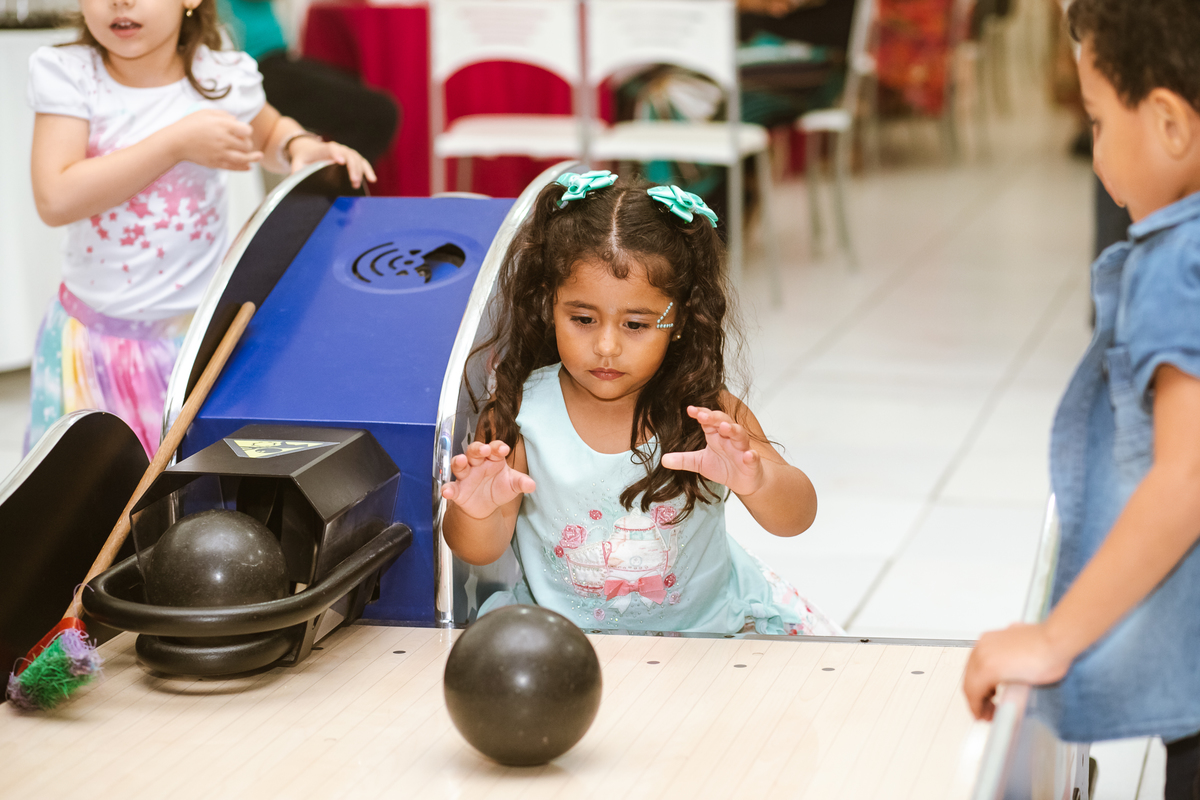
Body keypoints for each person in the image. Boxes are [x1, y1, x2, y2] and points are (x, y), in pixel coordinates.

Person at [962, 2, 1200, 797]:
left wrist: (1056, 639)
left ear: (1169, 123)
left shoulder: (1180, 262)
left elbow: (1188, 476)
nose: (1095, 157)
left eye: (1097, 122)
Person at [440, 170, 839, 636]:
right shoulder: (520, 415)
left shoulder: (710, 413)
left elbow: (797, 518)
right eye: (584, 318)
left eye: (635, 324)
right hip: (567, 642)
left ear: (683, 320)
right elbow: (478, 550)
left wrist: (757, 479)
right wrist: (476, 509)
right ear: (550, 305)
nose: (606, 346)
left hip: (712, 634)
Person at [24, 0, 375, 456]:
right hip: (93, 347)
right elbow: (55, 197)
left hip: (196, 347)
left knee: (181, 498)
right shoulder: (70, 73)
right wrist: (175, 144)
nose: (120, 2)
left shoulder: (220, 77)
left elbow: (268, 134)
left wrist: (299, 145)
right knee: (89, 500)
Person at [217, 0, 399, 164]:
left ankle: (321, 181)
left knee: (363, 93)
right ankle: (320, 190)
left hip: (275, 59)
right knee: (377, 113)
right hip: (259, 67)